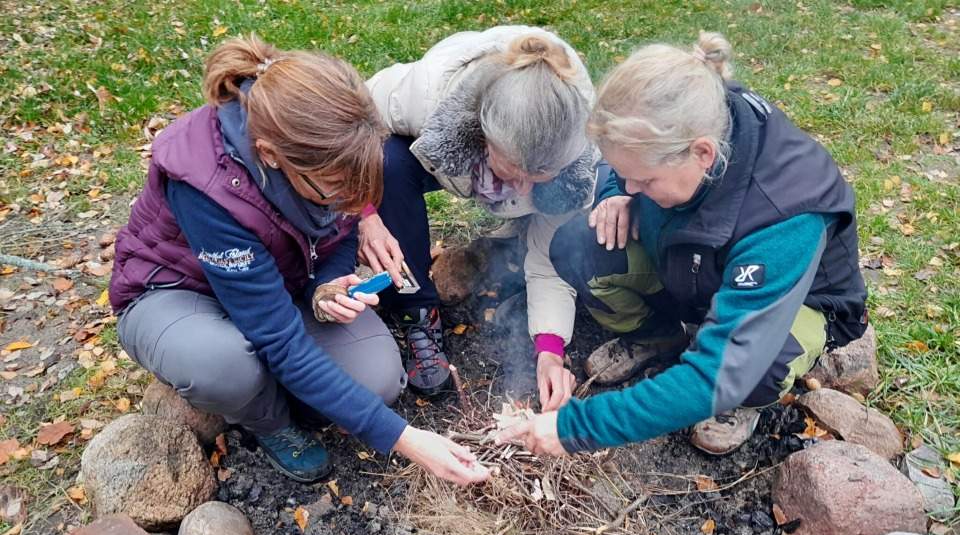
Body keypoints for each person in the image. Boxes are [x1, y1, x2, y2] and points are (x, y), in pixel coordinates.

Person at [109, 35, 490, 486]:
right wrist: (406, 440)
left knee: (379, 379)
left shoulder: (320, 145)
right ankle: (268, 421)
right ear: (270, 156)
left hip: (277, 283)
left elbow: (342, 229)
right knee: (225, 364)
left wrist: (324, 287)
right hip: (178, 290)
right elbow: (279, 340)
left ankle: (286, 387)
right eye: (334, 192)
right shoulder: (206, 188)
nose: (346, 204)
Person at [496, 32, 868, 457]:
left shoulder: (786, 213)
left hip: (795, 300)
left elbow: (719, 372)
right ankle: (660, 337)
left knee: (755, 365)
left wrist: (575, 427)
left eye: (645, 180)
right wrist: (614, 193)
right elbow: (623, 172)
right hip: (693, 258)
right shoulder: (685, 109)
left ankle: (743, 404)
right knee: (580, 243)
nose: (633, 187)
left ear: (703, 154)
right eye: (626, 173)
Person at [360, 25, 599, 409]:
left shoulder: (573, 157)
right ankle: (415, 309)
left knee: (555, 214)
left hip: (529, 150)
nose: (523, 189)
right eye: (514, 174)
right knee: (387, 162)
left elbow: (549, 260)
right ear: (485, 138)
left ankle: (509, 240)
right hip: (435, 138)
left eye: (537, 179)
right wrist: (366, 213)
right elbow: (349, 121)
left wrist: (550, 348)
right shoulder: (427, 94)